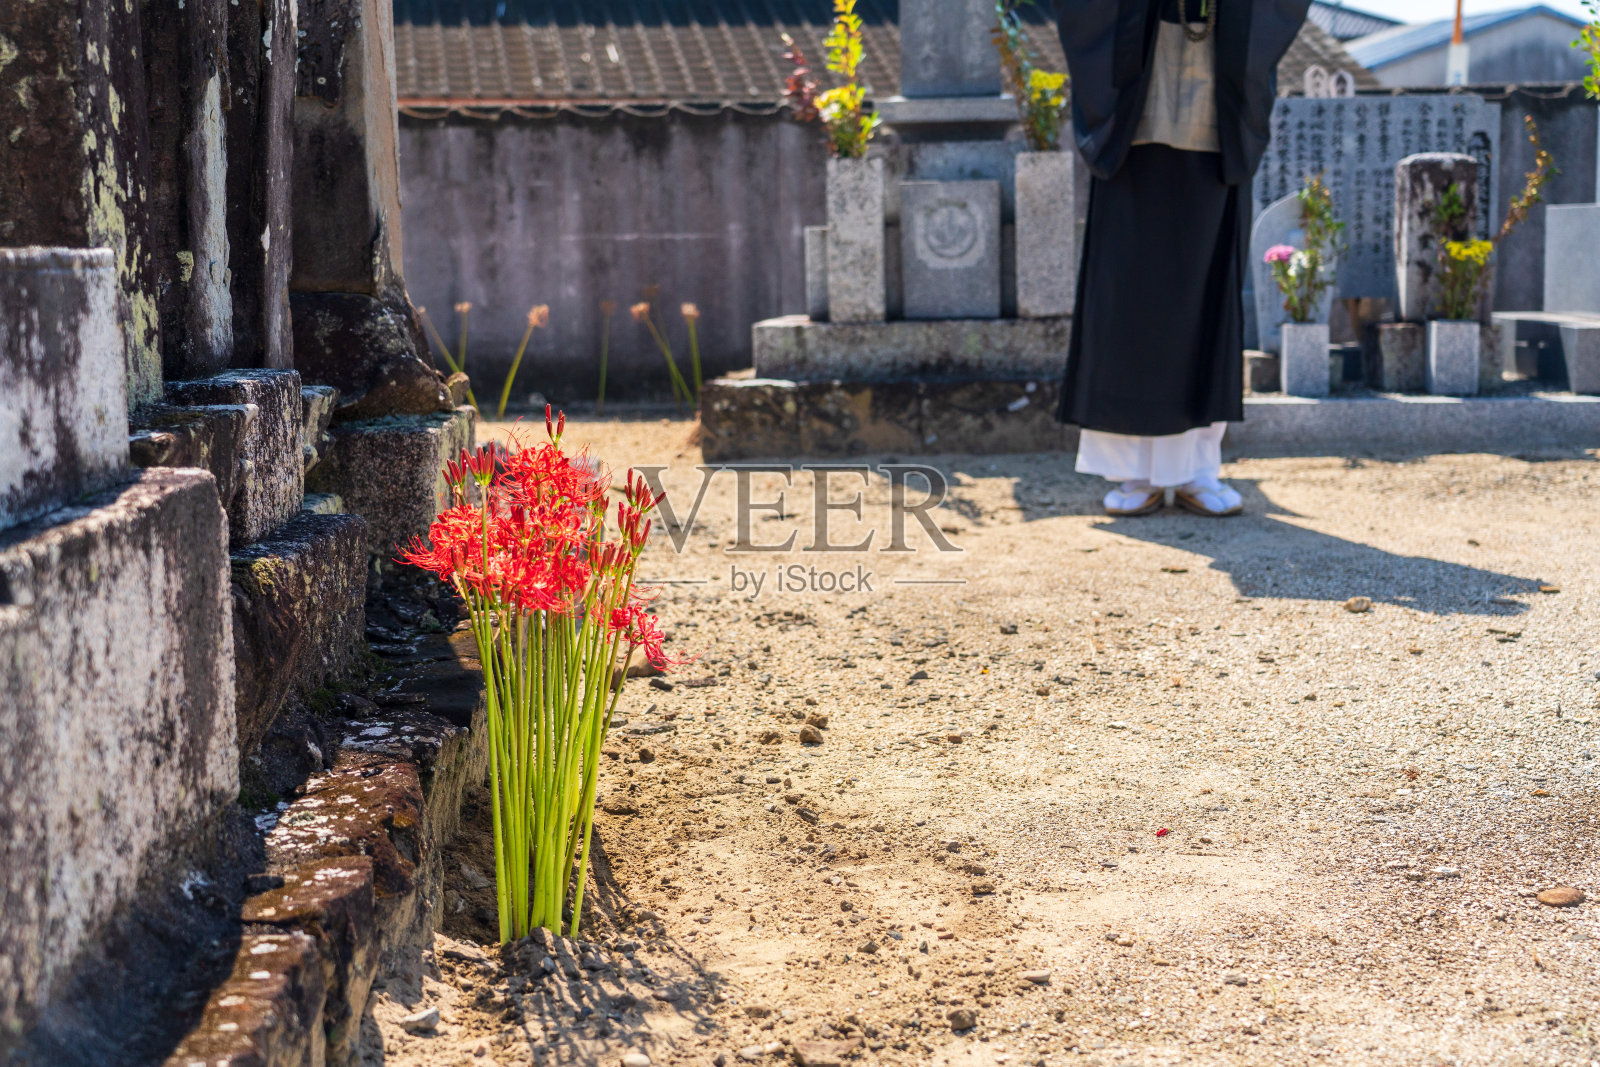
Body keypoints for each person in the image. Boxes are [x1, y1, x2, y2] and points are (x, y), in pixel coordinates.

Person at [1053, 0, 1310, 516]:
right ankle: (1132, 474)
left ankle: (1196, 470)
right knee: (1127, 301)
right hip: (1134, 115)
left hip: (1215, 112)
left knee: (1202, 300)